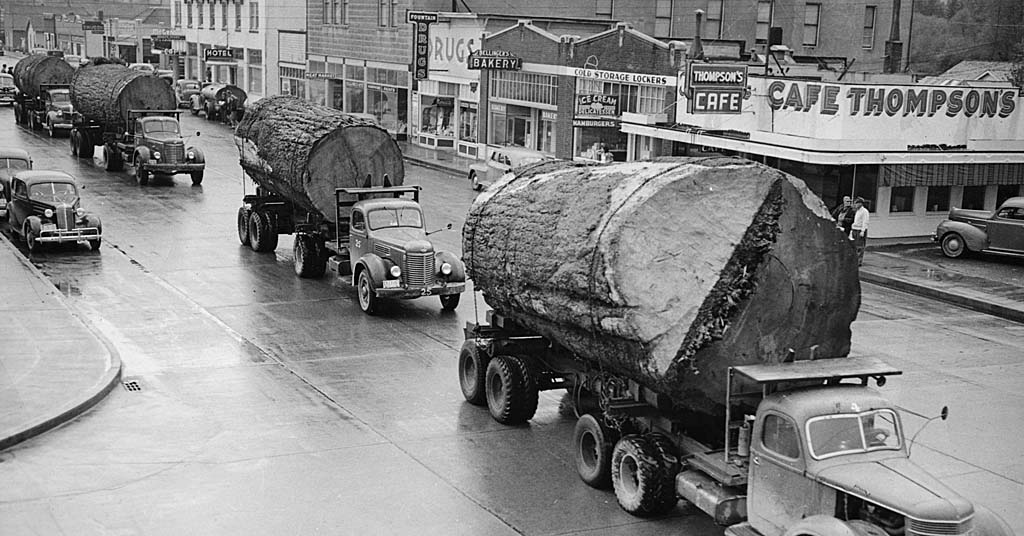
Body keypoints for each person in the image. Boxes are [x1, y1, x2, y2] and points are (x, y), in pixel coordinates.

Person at [850, 197, 870, 266]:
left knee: (860, 246)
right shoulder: (857, 211)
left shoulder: (864, 211)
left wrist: (863, 231)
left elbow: (865, 222)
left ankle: (859, 261)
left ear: (860, 204)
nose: (855, 205)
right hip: (855, 229)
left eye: (856, 203)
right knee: (854, 245)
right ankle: (854, 260)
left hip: (860, 230)